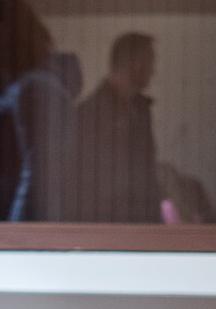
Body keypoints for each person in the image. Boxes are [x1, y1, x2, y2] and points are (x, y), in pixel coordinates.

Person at [0, 0, 78, 222]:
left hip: (13, 230)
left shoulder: (35, 88)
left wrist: (16, 234)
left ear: (4, 35)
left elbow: (39, 175)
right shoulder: (8, 90)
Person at [68, 31, 161, 222]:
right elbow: (88, 181)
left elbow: (146, 172)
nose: (153, 70)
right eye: (150, 61)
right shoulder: (90, 113)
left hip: (141, 224)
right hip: (108, 226)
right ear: (135, 62)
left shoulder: (141, 109)